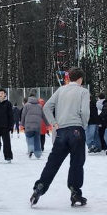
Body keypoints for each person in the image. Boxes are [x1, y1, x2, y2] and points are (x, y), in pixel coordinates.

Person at [30, 68, 91, 207]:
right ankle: (75, 192)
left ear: (69, 78)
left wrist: (54, 123)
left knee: (53, 163)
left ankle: (40, 186)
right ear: (80, 79)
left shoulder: (60, 90)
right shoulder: (83, 91)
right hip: (76, 130)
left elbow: (46, 108)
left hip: (61, 131)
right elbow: (85, 112)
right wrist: (83, 125)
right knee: (76, 163)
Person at [21, 94, 47, 159]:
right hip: (37, 126)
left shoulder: (26, 105)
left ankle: (31, 149)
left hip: (28, 125)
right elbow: (43, 115)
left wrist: (22, 124)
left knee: (29, 138)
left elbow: (23, 115)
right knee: (37, 139)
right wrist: (47, 124)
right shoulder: (39, 106)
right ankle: (38, 154)